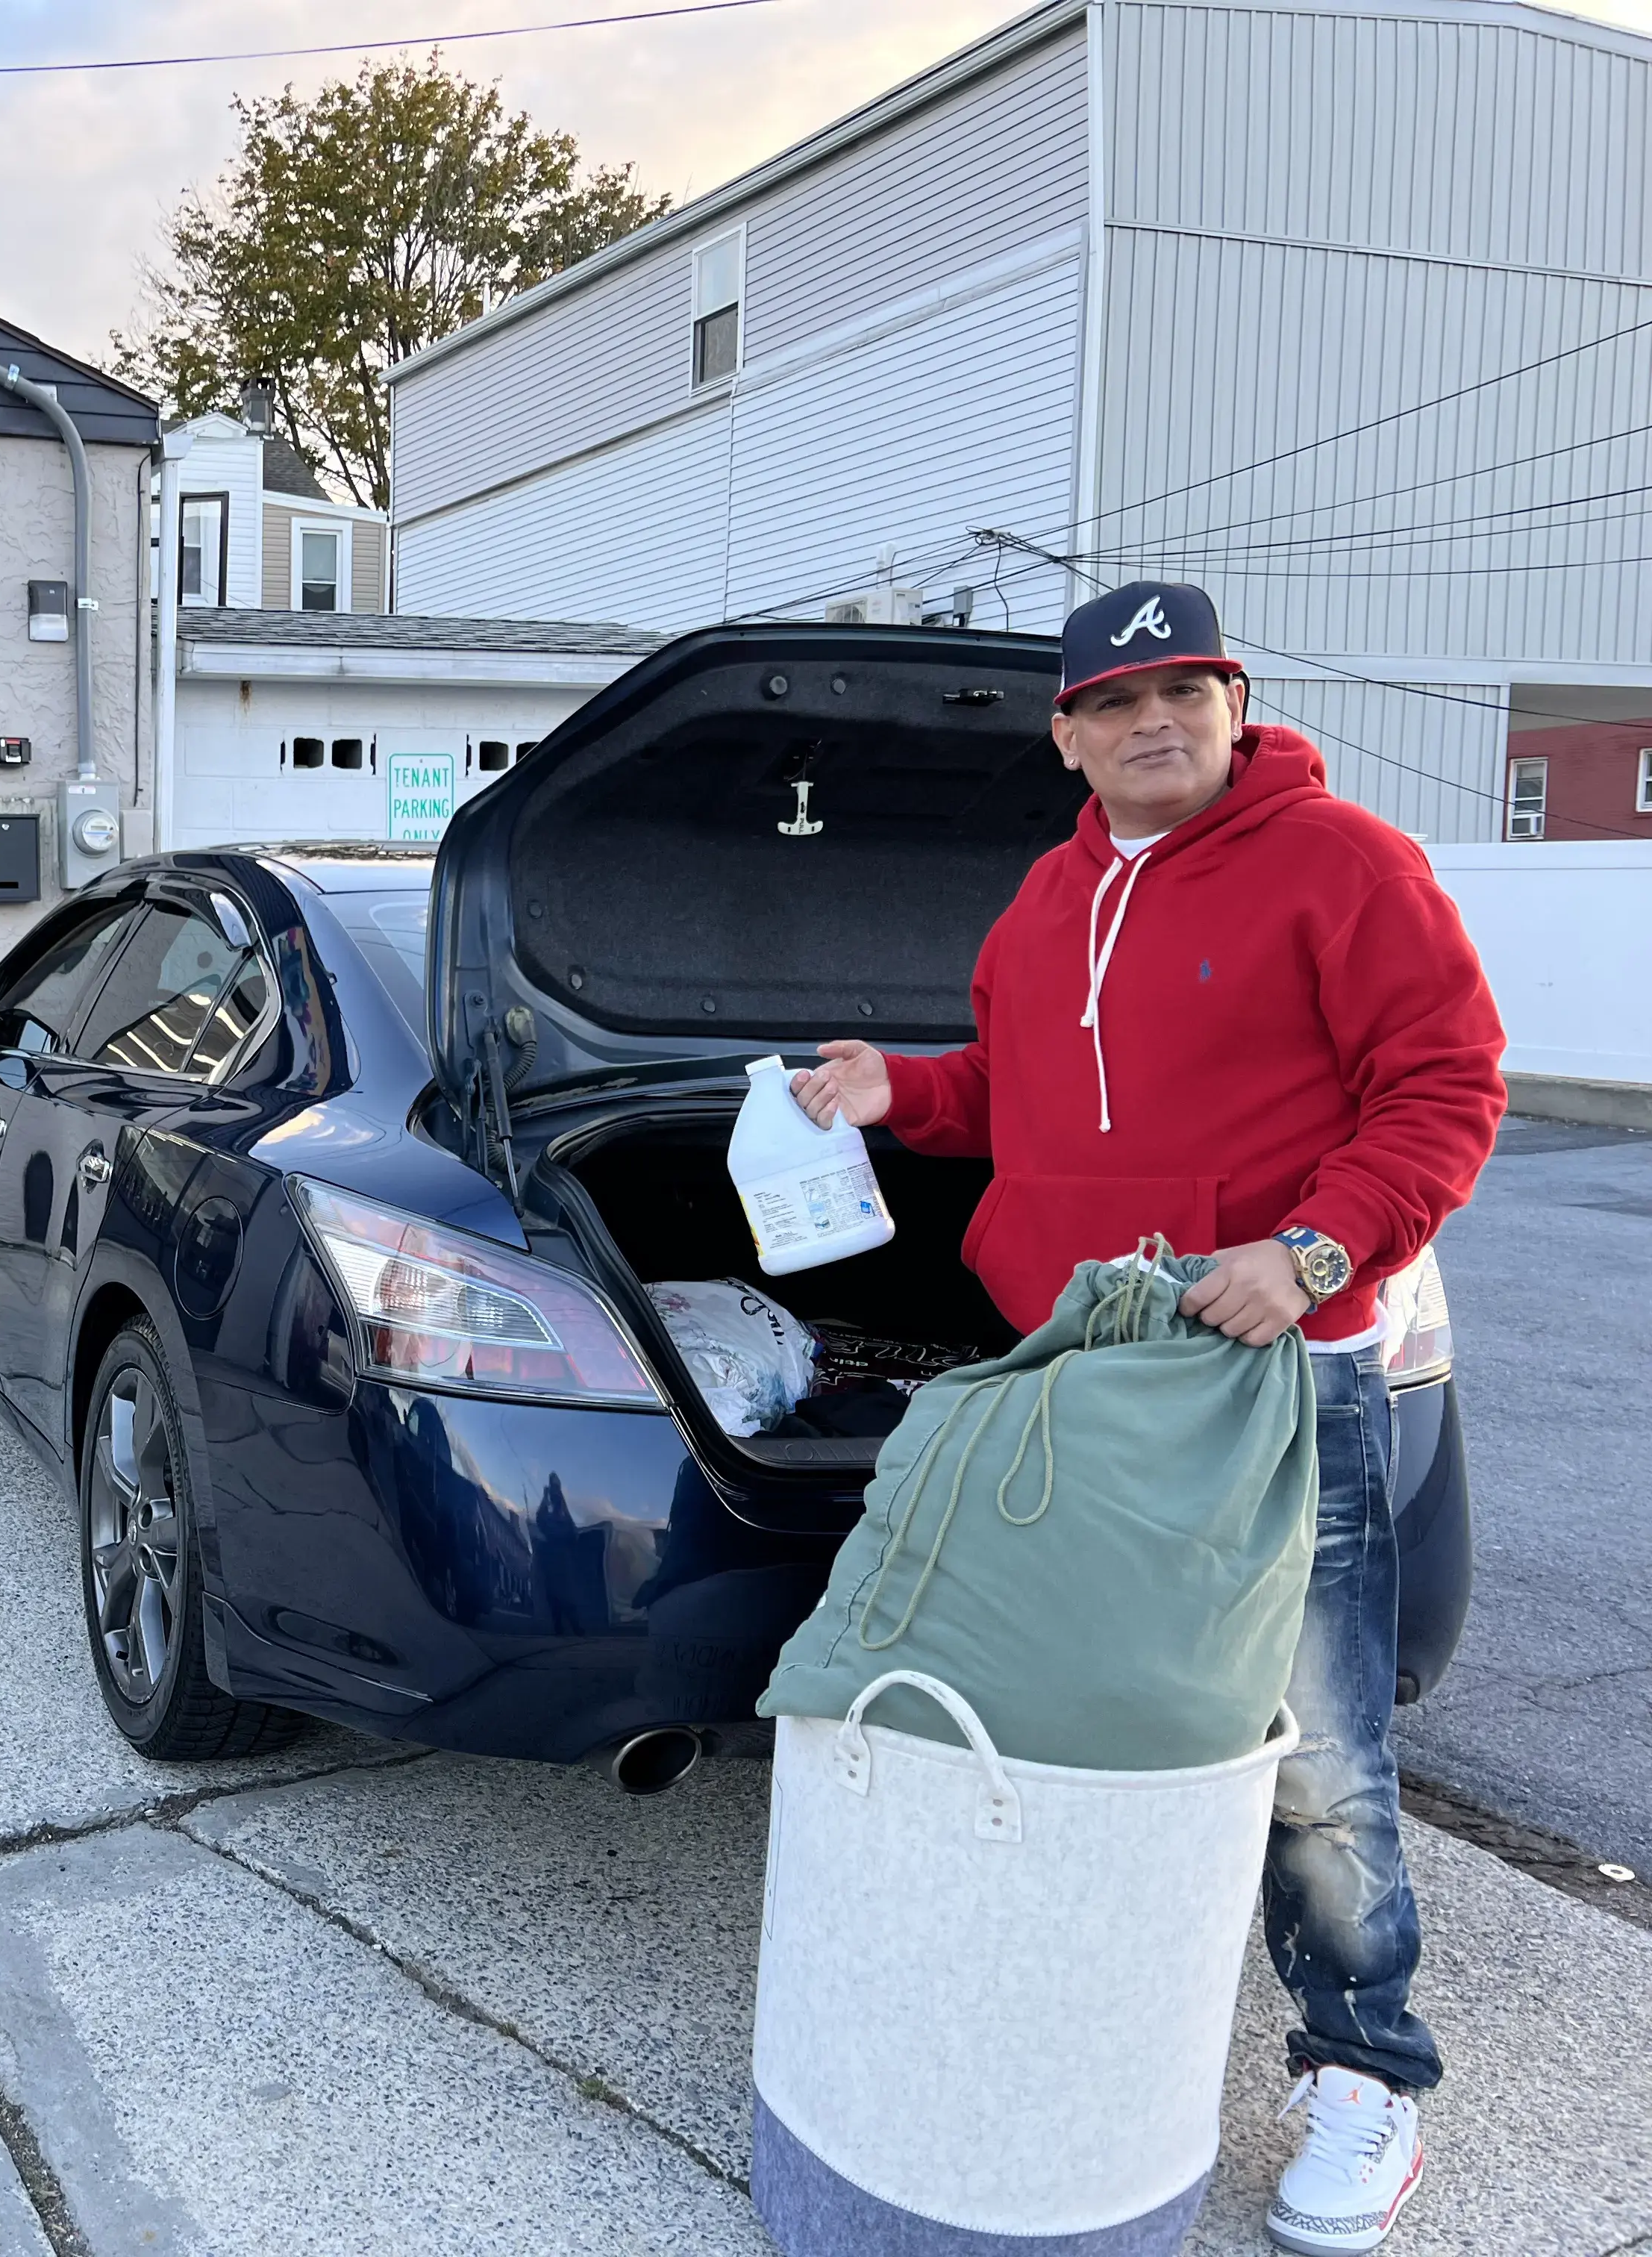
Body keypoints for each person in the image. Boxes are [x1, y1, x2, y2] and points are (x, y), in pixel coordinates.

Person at [790, 580, 1504, 2256]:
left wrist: (1313, 1253)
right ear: (1068, 737)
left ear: (1235, 705)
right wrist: (903, 1091)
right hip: (1080, 1368)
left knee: (1313, 1744)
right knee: (1087, 1725)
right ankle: (1096, 2002)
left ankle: (1365, 2072)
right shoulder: (1044, 900)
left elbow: (1447, 1086)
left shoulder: (1347, 866)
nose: (1153, 721)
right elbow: (1017, 1097)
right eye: (1115, 701)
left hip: (1275, 1374)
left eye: (1186, 689)